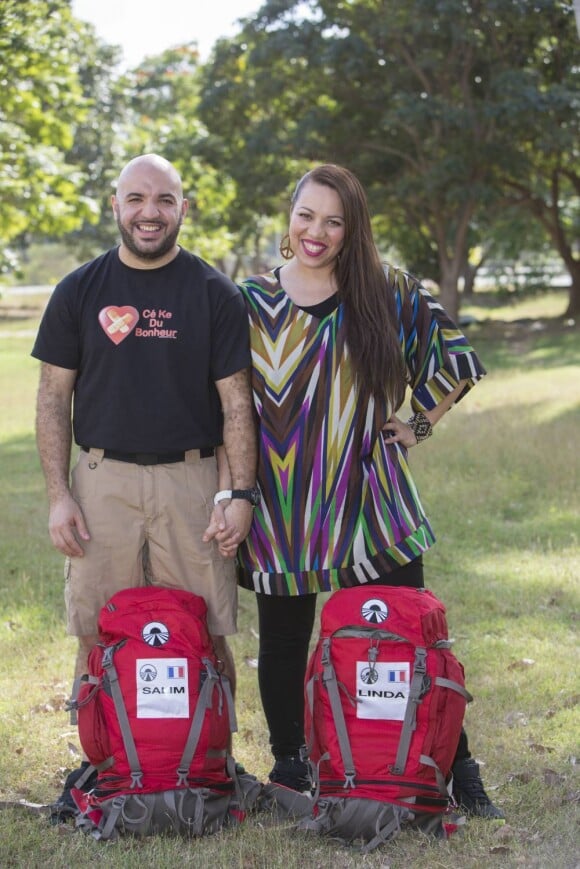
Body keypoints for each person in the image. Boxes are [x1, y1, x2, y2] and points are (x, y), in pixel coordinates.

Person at [206, 163, 504, 820]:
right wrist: (234, 489)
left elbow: (454, 361)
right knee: (284, 642)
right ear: (290, 216)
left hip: (372, 499)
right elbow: (227, 404)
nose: (316, 231)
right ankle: (294, 769)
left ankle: (455, 766)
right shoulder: (249, 300)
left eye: (333, 220)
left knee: (413, 634)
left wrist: (416, 422)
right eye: (306, 215)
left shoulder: (386, 289)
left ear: (352, 227)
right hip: (283, 506)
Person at [32, 153, 259, 813]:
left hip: (194, 480)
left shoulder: (213, 292)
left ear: (183, 207)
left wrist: (237, 492)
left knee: (207, 629)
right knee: (98, 628)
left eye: (164, 199)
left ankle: (211, 762)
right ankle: (104, 763)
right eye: (137, 198)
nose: (150, 211)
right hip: (103, 480)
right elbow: (52, 400)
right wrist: (58, 494)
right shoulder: (79, 289)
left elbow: (236, 404)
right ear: (116, 205)